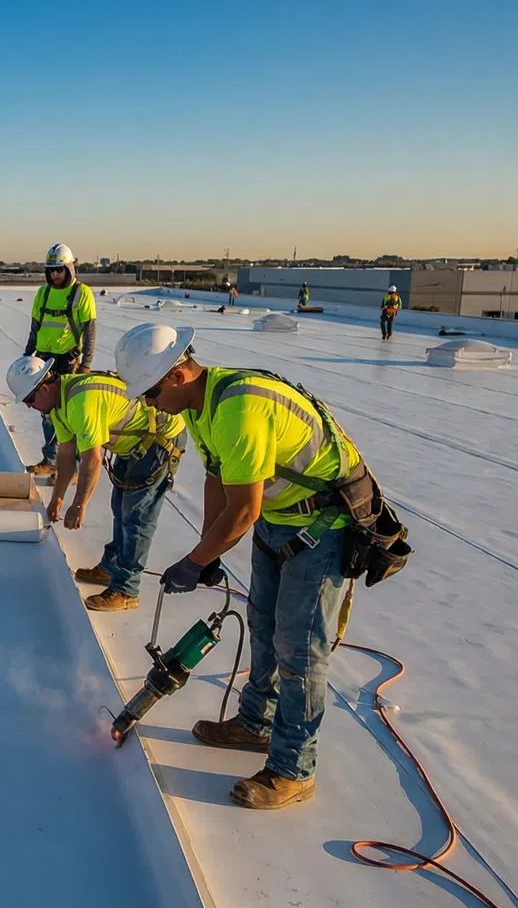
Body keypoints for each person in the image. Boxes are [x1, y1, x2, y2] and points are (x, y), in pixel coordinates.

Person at [114, 322, 367, 810]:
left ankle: (294, 770)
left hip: (323, 525)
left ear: (177, 376)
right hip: (280, 519)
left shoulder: (238, 408)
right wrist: (210, 550)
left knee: (299, 650)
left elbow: (244, 510)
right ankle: (255, 724)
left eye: (149, 392)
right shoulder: (202, 407)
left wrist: (194, 562)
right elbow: (218, 481)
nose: (147, 404)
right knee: (263, 627)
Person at [5, 355, 186, 612]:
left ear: (44, 388)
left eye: (29, 400)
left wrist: (79, 504)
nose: (29, 407)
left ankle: (126, 590)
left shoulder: (81, 401)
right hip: (134, 444)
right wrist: (57, 498)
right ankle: (111, 568)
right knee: (120, 507)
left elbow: (91, 460)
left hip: (159, 440)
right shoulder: (58, 403)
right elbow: (67, 454)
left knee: (136, 516)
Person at [21, 242, 98, 478]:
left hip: (69, 362)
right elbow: (35, 327)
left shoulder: (81, 293)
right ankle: (51, 460)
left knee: (69, 415)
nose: (55, 275)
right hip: (44, 360)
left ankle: (72, 468)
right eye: (51, 270)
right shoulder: (43, 293)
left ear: (69, 268)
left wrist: (86, 364)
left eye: (60, 270)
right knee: (47, 414)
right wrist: (27, 355)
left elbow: (90, 331)